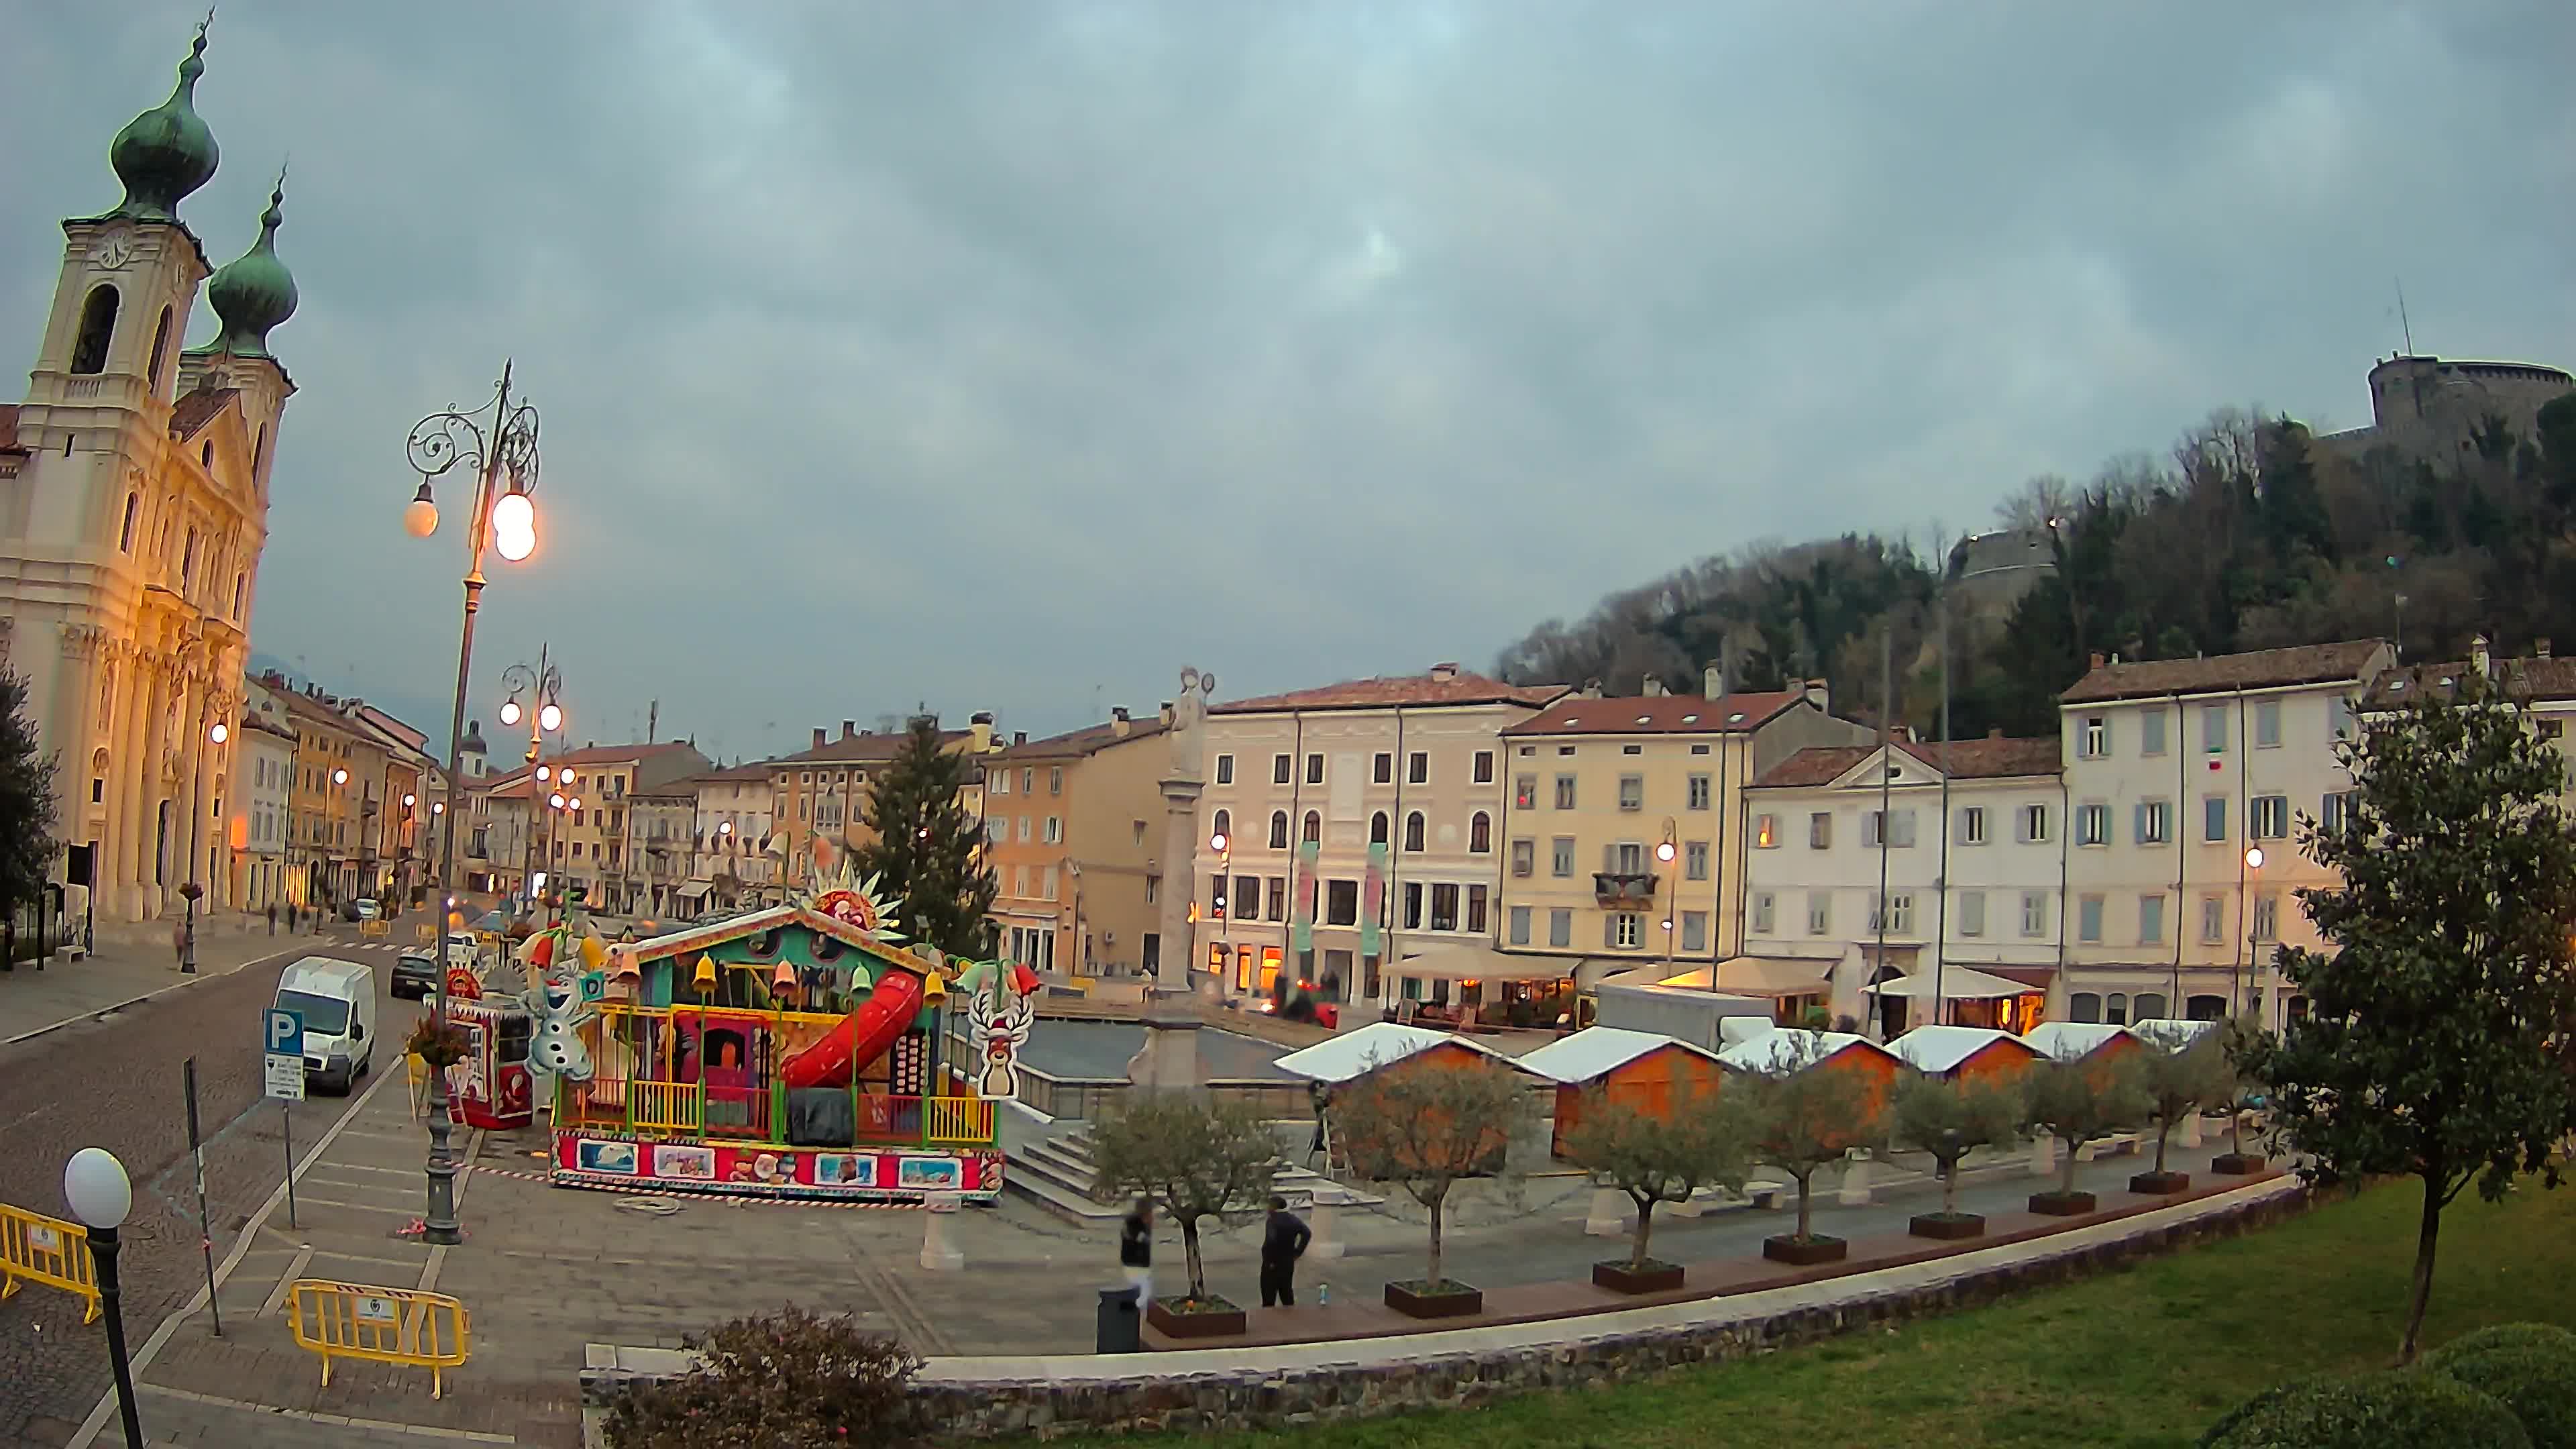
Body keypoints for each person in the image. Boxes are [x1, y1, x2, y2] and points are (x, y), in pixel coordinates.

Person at [1259, 1195, 1312, 1307]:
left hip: (1272, 1264)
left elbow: (1271, 1241)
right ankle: (1290, 1319)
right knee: (1286, 1292)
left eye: (1269, 1206)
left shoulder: (1272, 1221)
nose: (1267, 1208)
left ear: (1274, 1207)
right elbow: (1307, 1233)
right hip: (1288, 1261)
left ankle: (1269, 1320)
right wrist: (1298, 1252)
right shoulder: (1293, 1219)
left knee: (1269, 1295)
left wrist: (1269, 1261)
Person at [1118, 1197, 1155, 1306]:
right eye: (1151, 1213)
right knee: (1143, 1296)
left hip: (1137, 1263)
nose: (1153, 1217)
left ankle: (1132, 1310)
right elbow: (1139, 1239)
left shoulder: (1137, 1223)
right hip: (1135, 1264)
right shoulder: (1134, 1224)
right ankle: (1130, 1310)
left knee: (1142, 1293)